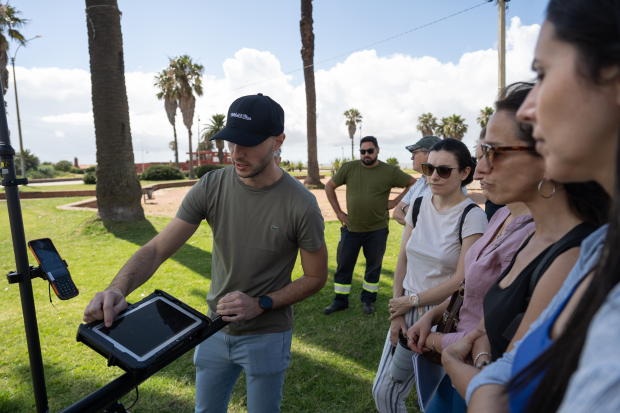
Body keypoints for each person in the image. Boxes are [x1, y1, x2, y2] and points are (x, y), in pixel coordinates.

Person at [82, 93, 328, 413]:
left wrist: (260, 303)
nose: (236, 154)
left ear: (278, 141)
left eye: (248, 143)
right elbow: (157, 249)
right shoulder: (212, 186)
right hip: (212, 329)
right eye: (231, 142)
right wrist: (117, 288)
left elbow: (315, 277)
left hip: (267, 335)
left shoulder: (302, 204)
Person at [453, 1, 619, 412]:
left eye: (543, 74)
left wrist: (473, 372)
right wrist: (487, 369)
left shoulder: (581, 249)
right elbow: (511, 364)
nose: (530, 108)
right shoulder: (602, 246)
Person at [406, 130, 535, 413]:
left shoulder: (531, 235)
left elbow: (490, 329)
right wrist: (431, 314)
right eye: (479, 158)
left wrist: (432, 340)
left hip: (480, 370)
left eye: (493, 156)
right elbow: (469, 290)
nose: (479, 172)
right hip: (459, 359)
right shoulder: (501, 214)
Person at [372, 138, 488, 413]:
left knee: (433, 396)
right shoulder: (419, 204)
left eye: (444, 170)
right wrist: (397, 310)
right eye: (429, 168)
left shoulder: (472, 217)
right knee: (385, 392)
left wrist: (411, 302)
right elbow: (403, 258)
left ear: (465, 173)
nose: (434, 176)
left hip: (443, 316)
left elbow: (462, 279)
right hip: (407, 306)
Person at [323, 136, 415, 315]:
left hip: (377, 230)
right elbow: (329, 186)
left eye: (370, 151)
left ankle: (368, 301)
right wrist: (339, 213)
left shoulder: (390, 171)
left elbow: (412, 183)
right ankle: (340, 301)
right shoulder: (349, 168)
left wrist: (396, 202)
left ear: (378, 150)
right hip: (351, 229)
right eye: (362, 151)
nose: (366, 154)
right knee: (343, 265)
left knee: (373, 267)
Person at [393, 136, 467, 227]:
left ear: (429, 154)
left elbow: (440, 223)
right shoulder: (419, 183)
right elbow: (396, 212)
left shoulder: (450, 185)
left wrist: (407, 209)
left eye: (414, 153)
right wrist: (419, 220)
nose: (412, 158)